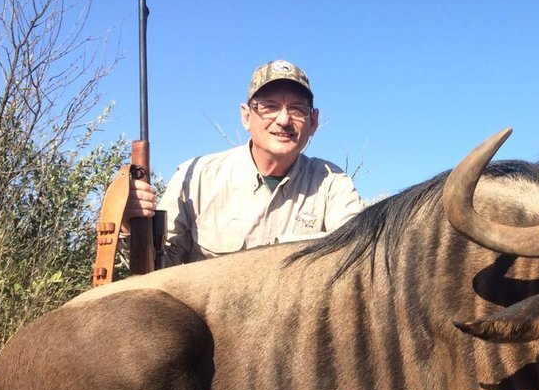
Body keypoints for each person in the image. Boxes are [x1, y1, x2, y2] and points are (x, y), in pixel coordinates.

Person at [124, 60, 363, 267]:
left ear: (313, 122)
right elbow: (159, 270)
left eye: (297, 109)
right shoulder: (195, 177)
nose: (283, 120)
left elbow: (359, 258)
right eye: (269, 107)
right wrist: (130, 226)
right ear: (246, 116)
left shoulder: (332, 182)